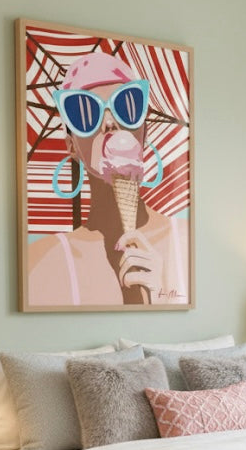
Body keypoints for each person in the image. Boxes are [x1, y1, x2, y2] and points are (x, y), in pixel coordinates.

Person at [27, 51, 188, 307]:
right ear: (72, 146)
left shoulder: (186, 241)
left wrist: (159, 295)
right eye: (86, 111)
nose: (110, 123)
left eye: (127, 105)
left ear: (143, 130)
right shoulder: (42, 261)